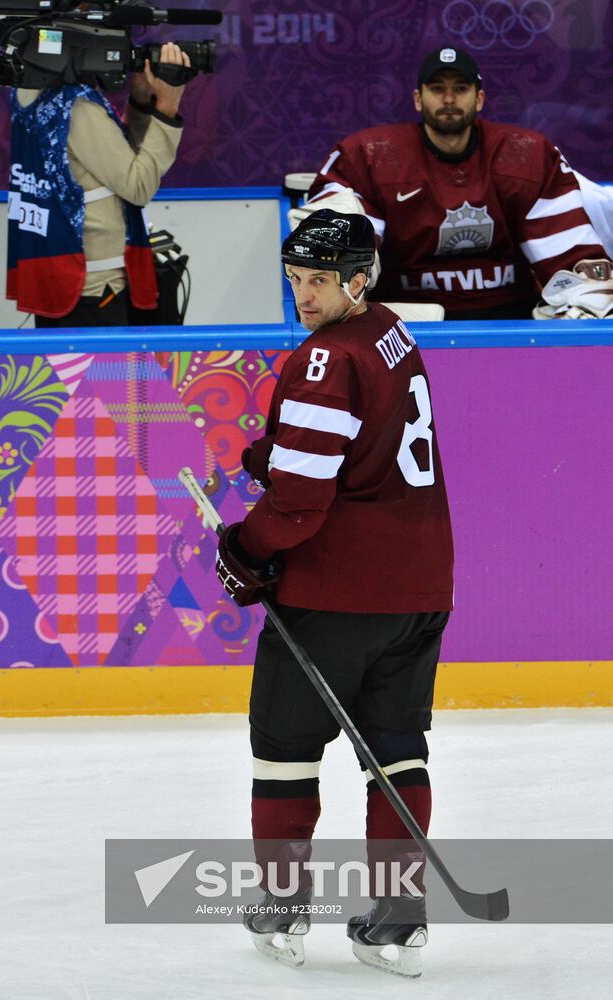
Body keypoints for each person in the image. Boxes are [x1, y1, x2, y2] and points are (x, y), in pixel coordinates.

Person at [214, 209, 454, 976]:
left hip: (339, 591)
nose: (303, 296)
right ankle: (398, 920)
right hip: (420, 587)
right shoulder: (389, 331)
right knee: (395, 748)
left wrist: (244, 551)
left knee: (284, 748)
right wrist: (280, 453)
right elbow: (359, 443)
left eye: (318, 281)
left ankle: (281, 912)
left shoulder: (324, 358)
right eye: (294, 280)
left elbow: (300, 508)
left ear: (357, 277)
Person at [295, 47, 613, 320]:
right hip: (405, 328)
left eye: (461, 88)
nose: (449, 98)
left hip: (511, 320)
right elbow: (343, 251)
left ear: (479, 99)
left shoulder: (526, 155)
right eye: (437, 88)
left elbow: (571, 263)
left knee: (592, 303)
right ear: (418, 99)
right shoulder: (369, 156)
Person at [7, 43, 191, 327]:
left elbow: (114, 163)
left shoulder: (31, 93)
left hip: (60, 281)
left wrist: (141, 100)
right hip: (95, 289)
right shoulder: (77, 106)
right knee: (108, 374)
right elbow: (137, 185)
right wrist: (167, 105)